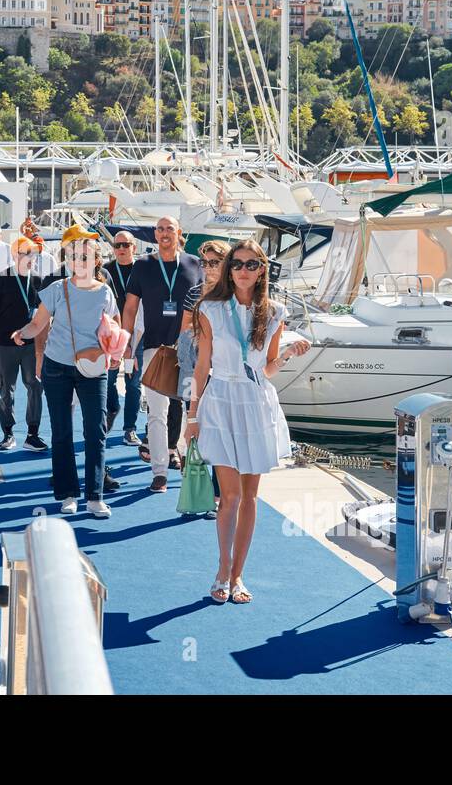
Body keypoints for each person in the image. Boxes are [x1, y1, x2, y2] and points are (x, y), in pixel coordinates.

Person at [184, 240, 310, 604]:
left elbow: (267, 369)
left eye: (251, 264)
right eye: (237, 263)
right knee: (231, 496)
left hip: (255, 403)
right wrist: (193, 416)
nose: (242, 269)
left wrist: (286, 353)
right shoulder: (209, 308)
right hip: (220, 401)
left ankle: (238, 575)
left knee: (251, 497)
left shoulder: (273, 312)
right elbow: (202, 365)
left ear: (262, 270)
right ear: (229, 268)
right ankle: (222, 569)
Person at [11, 225, 119, 518]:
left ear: (96, 260)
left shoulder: (106, 293)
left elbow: (116, 326)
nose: (79, 261)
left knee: (95, 431)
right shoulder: (57, 289)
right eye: (73, 256)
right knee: (61, 431)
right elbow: (39, 324)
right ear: (67, 260)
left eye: (85, 256)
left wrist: (117, 349)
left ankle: (94, 496)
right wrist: (23, 332)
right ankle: (68, 493)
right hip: (57, 366)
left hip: (93, 366)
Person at [121, 216, 202, 492]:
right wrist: (127, 346)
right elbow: (130, 308)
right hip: (155, 349)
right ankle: (159, 472)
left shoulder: (194, 264)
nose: (165, 233)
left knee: (191, 411)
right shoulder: (143, 266)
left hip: (189, 352)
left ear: (178, 232)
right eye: (160, 229)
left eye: (170, 229)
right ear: (155, 235)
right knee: (157, 412)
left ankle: (183, 458)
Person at [177, 239, 231, 516]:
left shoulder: (234, 294)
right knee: (196, 432)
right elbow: (185, 330)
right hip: (197, 368)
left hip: (223, 371)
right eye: (205, 263)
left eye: (215, 262)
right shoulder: (195, 292)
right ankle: (197, 492)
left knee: (220, 434)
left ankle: (218, 494)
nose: (209, 268)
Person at [0, 237, 49, 452]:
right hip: (4, 344)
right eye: (25, 253)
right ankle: (7, 434)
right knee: (6, 390)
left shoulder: (38, 281)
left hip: (31, 345)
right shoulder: (0, 279)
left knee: (35, 387)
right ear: (14, 254)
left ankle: (33, 434)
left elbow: (46, 314)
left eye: (33, 253)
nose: (30, 257)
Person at [104, 231, 143, 445]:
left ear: (133, 247)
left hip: (137, 334)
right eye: (117, 245)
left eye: (126, 245)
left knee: (134, 384)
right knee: (108, 381)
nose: (121, 248)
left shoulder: (143, 269)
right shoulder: (106, 271)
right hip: (111, 335)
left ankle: (130, 429)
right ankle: (112, 408)